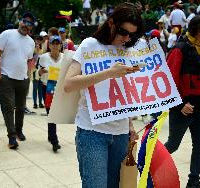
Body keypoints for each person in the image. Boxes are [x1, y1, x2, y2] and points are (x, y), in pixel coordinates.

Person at [64, 3, 143, 187]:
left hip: (121, 133)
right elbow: (68, 84)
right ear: (111, 23)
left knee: (116, 184)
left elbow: (125, 92)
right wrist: (108, 72)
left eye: (132, 34)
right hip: (92, 132)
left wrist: (130, 124)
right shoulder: (90, 45)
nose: (126, 38)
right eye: (123, 32)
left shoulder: (129, 50)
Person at [165, 15, 200, 188]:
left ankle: (194, 182)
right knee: (172, 145)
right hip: (182, 108)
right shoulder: (179, 49)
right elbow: (168, 82)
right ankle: (149, 168)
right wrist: (180, 105)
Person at [0, 12, 35, 149]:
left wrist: (29, 75)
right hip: (6, 77)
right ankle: (11, 136)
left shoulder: (31, 42)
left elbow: (29, 60)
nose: (26, 25)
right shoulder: (7, 34)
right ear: (20, 21)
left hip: (22, 79)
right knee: (9, 107)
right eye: (24, 21)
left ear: (31, 27)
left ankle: (18, 131)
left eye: (29, 23)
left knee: (21, 108)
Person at [37, 35, 64, 152]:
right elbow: (38, 73)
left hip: (60, 89)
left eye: (57, 43)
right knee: (51, 113)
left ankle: (51, 136)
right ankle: (54, 140)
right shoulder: (43, 57)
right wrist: (41, 71)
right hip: (47, 88)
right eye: (53, 43)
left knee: (55, 114)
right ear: (49, 45)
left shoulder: (65, 58)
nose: (55, 45)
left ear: (61, 45)